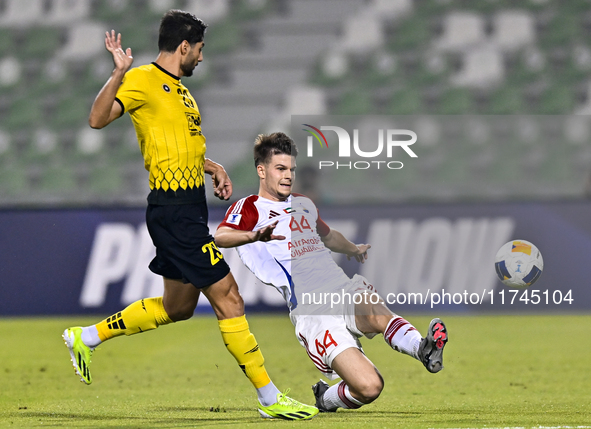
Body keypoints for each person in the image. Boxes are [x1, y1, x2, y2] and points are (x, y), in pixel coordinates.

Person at [62, 10, 318, 421]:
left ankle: (85, 337)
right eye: (198, 50)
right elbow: (96, 120)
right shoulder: (142, 79)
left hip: (188, 208)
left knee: (178, 307)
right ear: (184, 46)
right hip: (173, 210)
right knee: (229, 298)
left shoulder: (181, 93)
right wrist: (118, 74)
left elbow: (183, 146)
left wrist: (212, 167)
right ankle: (270, 398)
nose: (201, 57)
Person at [214, 132, 448, 412]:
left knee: (372, 307)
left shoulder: (302, 203)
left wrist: (352, 248)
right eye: (280, 169)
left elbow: (327, 235)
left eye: (291, 169)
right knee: (369, 387)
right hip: (312, 310)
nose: (288, 175)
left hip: (339, 287)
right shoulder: (251, 207)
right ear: (261, 171)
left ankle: (422, 348)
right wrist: (254, 236)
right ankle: (326, 398)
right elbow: (222, 236)